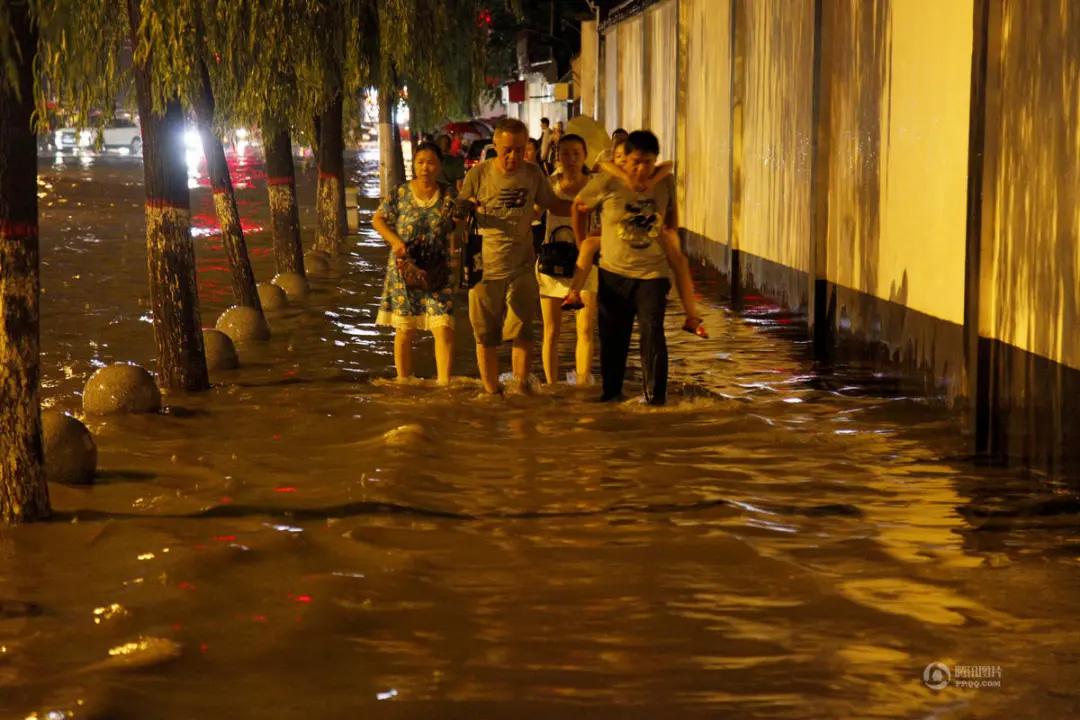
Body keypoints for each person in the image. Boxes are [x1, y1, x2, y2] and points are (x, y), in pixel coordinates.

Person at [568, 130, 695, 405]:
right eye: (636, 162)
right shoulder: (609, 181)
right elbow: (578, 206)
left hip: (653, 273)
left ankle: (655, 400)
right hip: (614, 272)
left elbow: (671, 212)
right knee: (613, 337)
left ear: (655, 161)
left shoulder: (665, 181)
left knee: (652, 330)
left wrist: (671, 233)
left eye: (647, 162)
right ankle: (612, 396)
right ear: (625, 159)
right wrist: (582, 243)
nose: (641, 169)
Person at [455, 118, 569, 395]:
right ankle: (492, 392)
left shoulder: (533, 174)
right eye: (508, 150)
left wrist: (585, 206)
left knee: (523, 330)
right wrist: (464, 209)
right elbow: (459, 212)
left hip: (523, 265)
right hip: (484, 266)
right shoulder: (479, 175)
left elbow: (552, 203)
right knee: (486, 334)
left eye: (520, 149)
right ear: (496, 146)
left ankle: (520, 388)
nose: (513, 156)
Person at [373, 141, 458, 385]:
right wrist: (395, 242)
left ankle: (444, 384)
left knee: (443, 326)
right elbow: (378, 219)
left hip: (437, 269)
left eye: (430, 163)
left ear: (439, 166)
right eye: (420, 162)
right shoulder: (400, 193)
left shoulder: (449, 195)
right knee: (405, 328)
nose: (425, 168)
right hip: (405, 269)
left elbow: (457, 227)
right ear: (414, 165)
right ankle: (403, 381)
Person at [535, 134, 597, 386]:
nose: (570, 159)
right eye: (565, 153)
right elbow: (534, 214)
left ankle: (581, 384)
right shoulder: (549, 184)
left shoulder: (595, 185)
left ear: (585, 156)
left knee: (585, 328)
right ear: (557, 156)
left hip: (586, 263)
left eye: (576, 153)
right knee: (551, 330)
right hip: (552, 263)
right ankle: (551, 385)